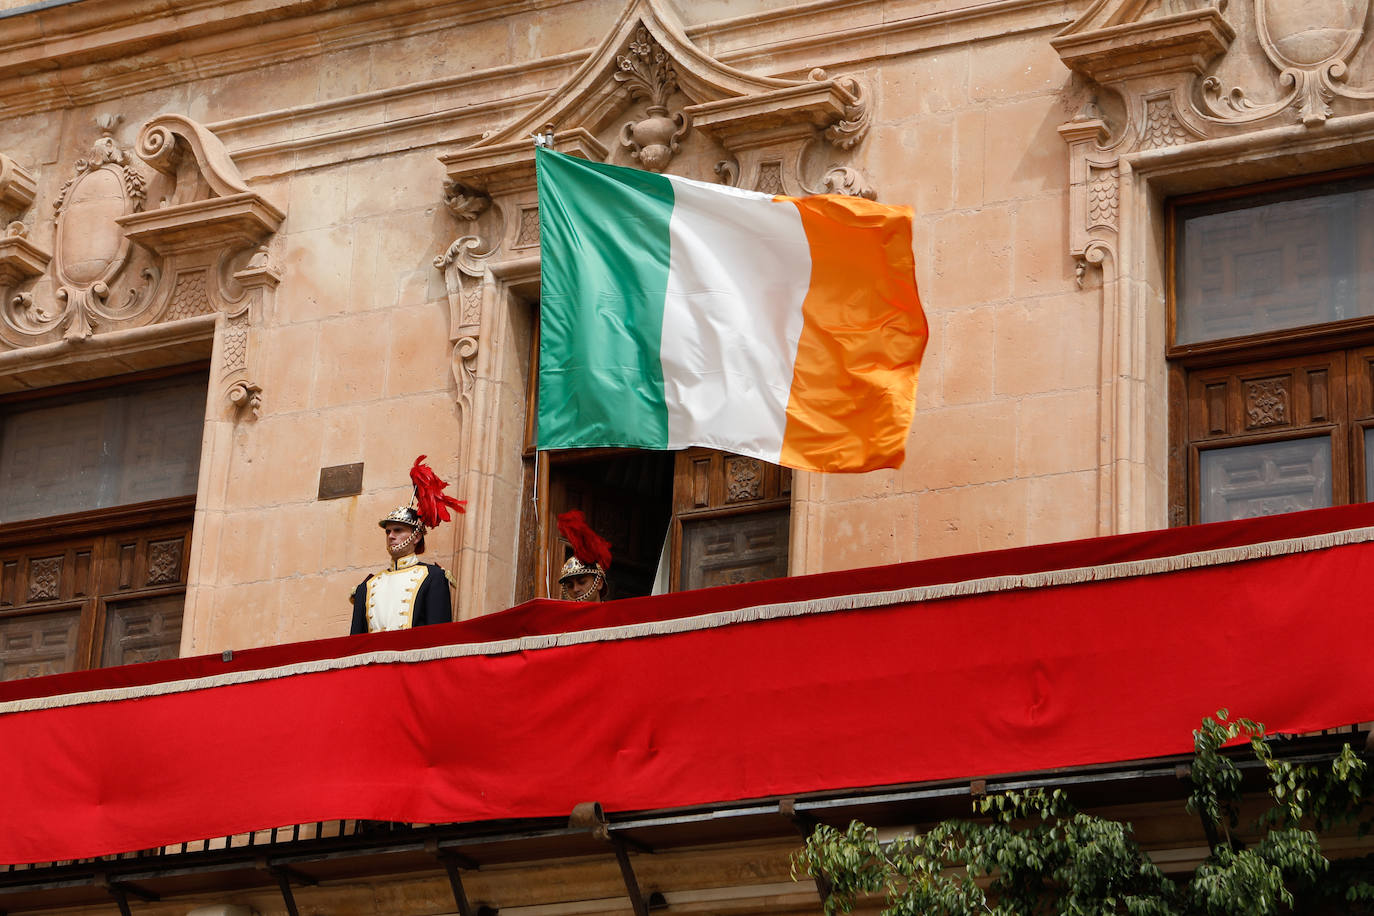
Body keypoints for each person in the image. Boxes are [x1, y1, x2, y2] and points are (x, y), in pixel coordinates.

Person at [350, 456, 465, 634]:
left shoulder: (433, 577)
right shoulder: (367, 586)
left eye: (398, 530)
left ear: (416, 536)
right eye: (388, 531)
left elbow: (438, 637)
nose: (391, 536)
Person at [556, 509, 612, 602]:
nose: (575, 589)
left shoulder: (616, 615)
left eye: (582, 582)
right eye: (570, 586)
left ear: (599, 583)